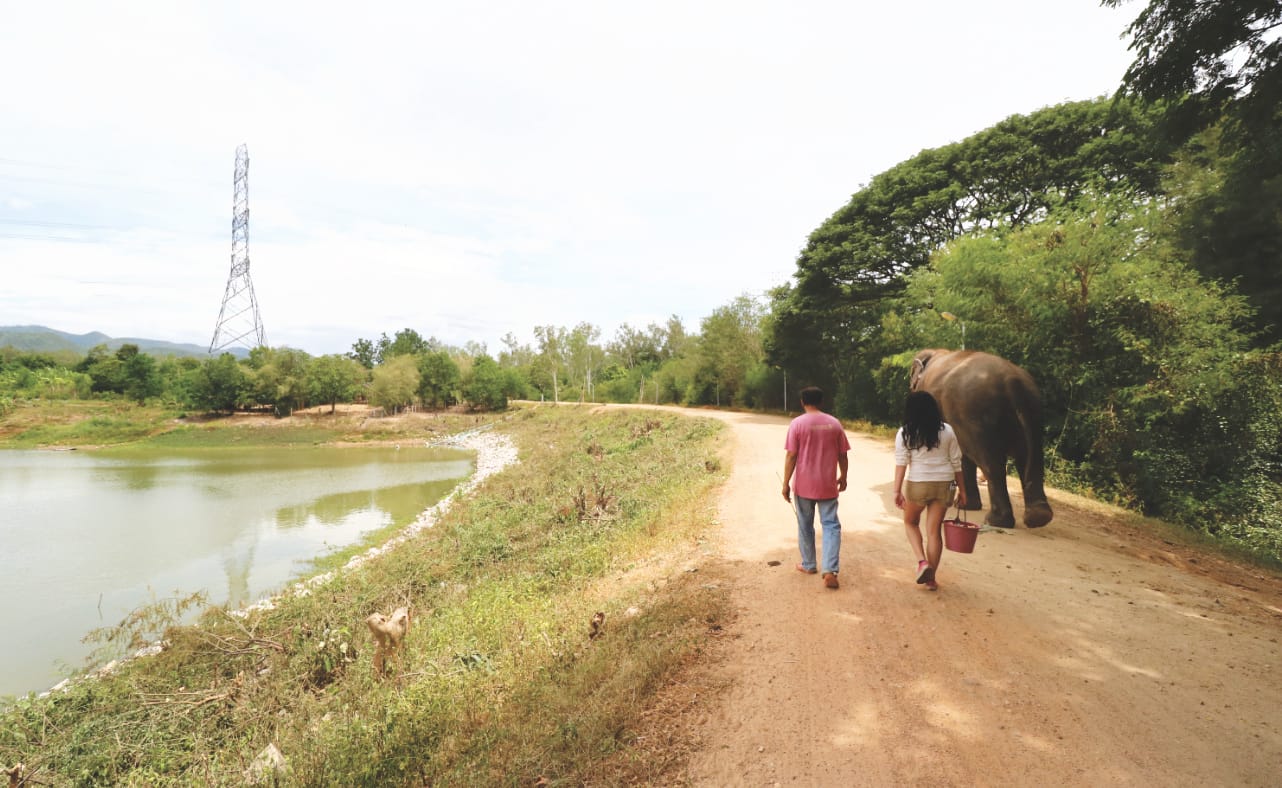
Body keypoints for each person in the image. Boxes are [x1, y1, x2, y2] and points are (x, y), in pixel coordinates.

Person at [893, 391, 966, 591]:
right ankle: (931, 578)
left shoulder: (905, 432)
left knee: (910, 522)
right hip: (946, 484)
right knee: (934, 531)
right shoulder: (948, 431)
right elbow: (957, 462)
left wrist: (896, 491)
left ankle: (922, 563)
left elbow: (901, 463)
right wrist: (963, 490)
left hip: (919, 483)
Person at [781, 386, 850, 590]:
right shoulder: (834, 424)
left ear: (803, 402)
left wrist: (785, 483)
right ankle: (830, 570)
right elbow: (843, 455)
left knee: (805, 524)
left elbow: (791, 455)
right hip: (827, 485)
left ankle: (809, 564)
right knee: (831, 525)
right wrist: (843, 476)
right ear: (821, 402)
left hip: (804, 485)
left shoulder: (797, 424)